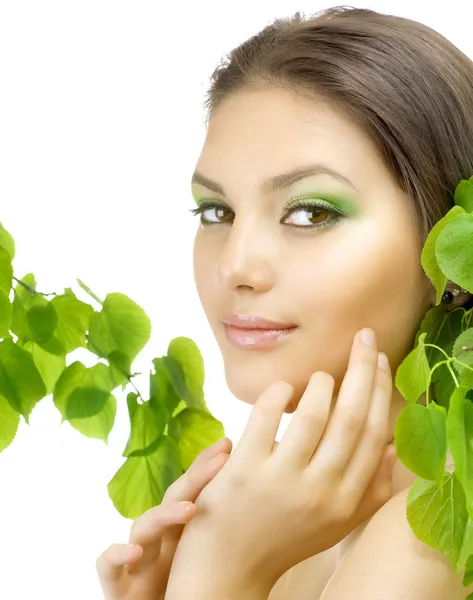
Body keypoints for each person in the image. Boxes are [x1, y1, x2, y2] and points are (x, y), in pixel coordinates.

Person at [96, 6, 473, 599]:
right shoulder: (301, 525)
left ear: (449, 247)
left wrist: (219, 574)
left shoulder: (430, 533)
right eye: (216, 212)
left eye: (310, 212)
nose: (235, 266)